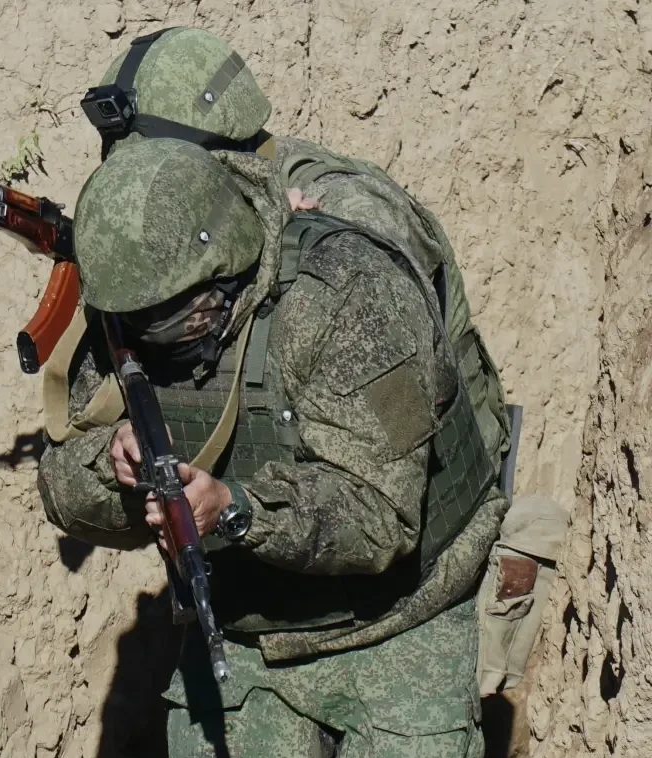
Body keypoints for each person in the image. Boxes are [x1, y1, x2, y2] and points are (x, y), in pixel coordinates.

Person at [37, 136, 508, 758]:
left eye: (174, 320)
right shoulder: (127, 306)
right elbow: (60, 486)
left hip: (401, 618)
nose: (157, 340)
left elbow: (381, 516)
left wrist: (236, 512)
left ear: (223, 269)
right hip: (243, 627)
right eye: (142, 323)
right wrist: (113, 463)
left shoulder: (346, 294)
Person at [75, 26, 511, 468]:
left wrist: (265, 223)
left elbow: (386, 361)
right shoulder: (197, 215)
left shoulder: (351, 205)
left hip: (414, 473)